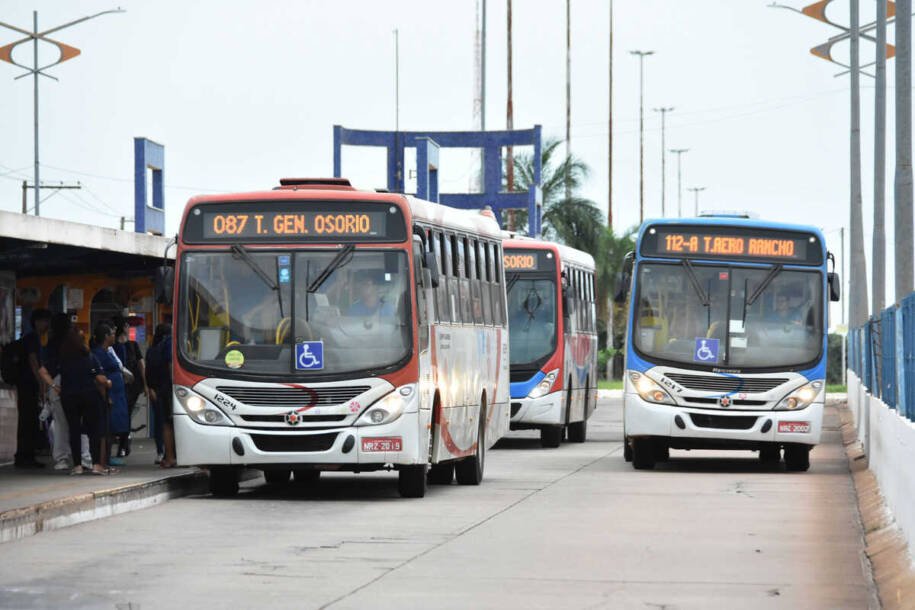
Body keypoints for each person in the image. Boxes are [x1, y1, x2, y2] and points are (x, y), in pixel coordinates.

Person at [49, 326, 109, 475]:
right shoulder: (89, 357)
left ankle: (77, 466)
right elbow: (100, 378)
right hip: (89, 395)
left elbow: (43, 371)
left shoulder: (62, 358)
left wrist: (54, 386)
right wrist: (108, 384)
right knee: (93, 430)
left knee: (74, 430)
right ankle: (96, 465)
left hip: (68, 396)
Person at [14, 308, 51, 468]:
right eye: (45, 321)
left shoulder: (30, 337)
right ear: (37, 322)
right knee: (28, 420)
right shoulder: (33, 338)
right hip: (29, 384)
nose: (47, 325)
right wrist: (41, 382)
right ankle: (25, 456)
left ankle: (25, 454)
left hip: (25, 384)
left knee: (28, 419)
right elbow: (33, 361)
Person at [92, 322, 129, 468]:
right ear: (106, 336)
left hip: (117, 394)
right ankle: (103, 461)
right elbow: (98, 377)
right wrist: (106, 396)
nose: (115, 336)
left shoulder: (109, 351)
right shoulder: (98, 354)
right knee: (106, 429)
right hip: (109, 394)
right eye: (112, 334)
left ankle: (106, 459)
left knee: (113, 429)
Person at [113, 319, 147, 458]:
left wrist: (145, 384)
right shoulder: (112, 346)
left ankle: (123, 443)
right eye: (127, 326)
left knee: (126, 413)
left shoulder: (133, 345)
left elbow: (141, 365)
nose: (129, 328)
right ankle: (122, 442)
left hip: (133, 386)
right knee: (121, 414)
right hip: (118, 385)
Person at [146, 323, 176, 468]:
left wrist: (151, 388)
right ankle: (171, 457)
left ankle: (166, 455)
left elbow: (148, 371)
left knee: (163, 423)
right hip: (169, 389)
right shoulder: (169, 342)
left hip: (159, 390)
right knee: (171, 424)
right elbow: (171, 365)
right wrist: (175, 384)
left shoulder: (152, 349)